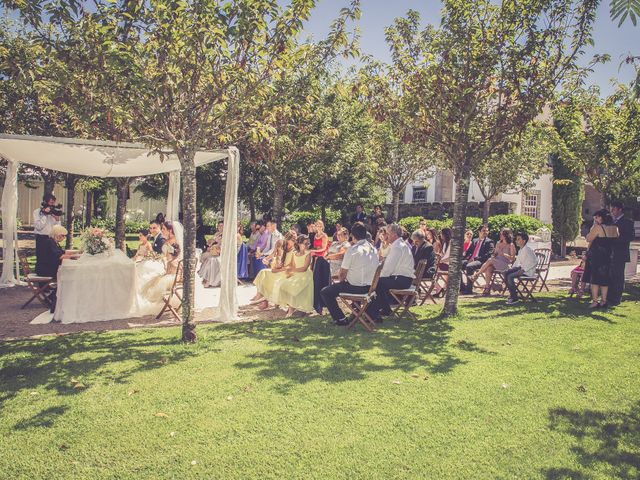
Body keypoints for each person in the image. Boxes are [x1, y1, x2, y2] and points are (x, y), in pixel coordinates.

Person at [320, 223, 379, 325]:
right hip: (371, 288)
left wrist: (340, 282)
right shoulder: (373, 249)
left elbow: (342, 274)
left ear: (352, 236)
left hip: (357, 288)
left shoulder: (352, 250)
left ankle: (340, 319)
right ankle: (356, 312)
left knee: (326, 292)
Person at [368, 224, 416, 322]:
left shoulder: (397, 247)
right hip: (404, 279)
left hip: (402, 280)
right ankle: (384, 310)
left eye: (388, 234)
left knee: (377, 283)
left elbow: (387, 270)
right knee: (379, 283)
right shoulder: (399, 245)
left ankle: (373, 314)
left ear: (394, 235)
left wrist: (375, 278)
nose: (386, 236)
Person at [139, 221, 183, 306]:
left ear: (170, 230)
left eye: (164, 229)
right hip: (169, 269)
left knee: (156, 285)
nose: (162, 230)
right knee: (152, 282)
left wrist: (164, 259)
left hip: (174, 272)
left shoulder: (173, 242)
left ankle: (166, 303)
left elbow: (172, 257)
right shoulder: (168, 240)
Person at [582, 209, 619, 309]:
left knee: (595, 280)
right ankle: (604, 300)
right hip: (608, 256)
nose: (596, 218)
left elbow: (588, 238)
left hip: (597, 256)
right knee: (605, 280)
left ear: (602, 218)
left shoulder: (598, 228)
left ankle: (595, 301)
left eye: (597, 217)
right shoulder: (615, 228)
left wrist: (594, 226)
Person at [271, 235, 314, 317]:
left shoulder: (308, 254)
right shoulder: (295, 253)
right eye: (304, 243)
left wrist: (292, 270)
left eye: (307, 243)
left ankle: (290, 311)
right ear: (299, 244)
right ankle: (290, 306)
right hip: (296, 274)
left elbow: (304, 268)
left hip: (305, 276)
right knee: (282, 283)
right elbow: (292, 265)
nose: (306, 245)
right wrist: (285, 269)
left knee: (292, 287)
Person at [252, 233, 296, 309]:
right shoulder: (284, 246)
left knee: (266, 274)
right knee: (263, 272)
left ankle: (262, 298)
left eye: (289, 241)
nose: (287, 243)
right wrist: (268, 260)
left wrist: (277, 268)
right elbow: (278, 259)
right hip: (281, 269)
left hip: (286, 272)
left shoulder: (294, 250)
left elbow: (290, 266)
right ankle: (261, 298)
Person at [471, 228, 516, 295]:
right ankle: (487, 288)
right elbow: (495, 254)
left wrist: (503, 254)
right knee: (489, 269)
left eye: (501, 234)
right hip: (496, 262)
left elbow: (512, 258)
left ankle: (477, 274)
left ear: (506, 235)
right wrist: (494, 255)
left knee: (490, 260)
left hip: (505, 264)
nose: (500, 236)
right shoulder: (498, 243)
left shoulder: (511, 245)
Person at [609, 201, 634, 306]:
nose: (612, 212)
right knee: (610, 275)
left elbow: (630, 237)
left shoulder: (627, 222)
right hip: (610, 254)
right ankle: (608, 297)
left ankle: (616, 299)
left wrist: (616, 238)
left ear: (619, 209)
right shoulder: (610, 221)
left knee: (618, 276)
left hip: (620, 253)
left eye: (613, 209)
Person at [505, 232, 538, 305]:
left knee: (510, 276)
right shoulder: (521, 250)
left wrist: (524, 270)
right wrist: (511, 268)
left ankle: (514, 298)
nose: (516, 241)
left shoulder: (528, 250)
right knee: (506, 272)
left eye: (518, 239)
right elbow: (517, 262)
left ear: (524, 241)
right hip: (522, 269)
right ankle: (513, 294)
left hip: (528, 272)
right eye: (516, 239)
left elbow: (535, 262)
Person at [34, 193, 62, 276]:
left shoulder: (53, 212)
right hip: (42, 239)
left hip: (51, 240)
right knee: (42, 260)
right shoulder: (37, 212)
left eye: (54, 202)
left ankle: (50, 282)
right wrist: (45, 215)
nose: (53, 204)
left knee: (53, 260)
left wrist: (57, 220)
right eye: (51, 202)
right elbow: (39, 227)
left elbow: (57, 228)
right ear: (45, 202)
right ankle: (42, 285)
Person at [461, 224, 494, 294]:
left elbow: (489, 254)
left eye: (487, 231)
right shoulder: (475, 240)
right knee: (458, 264)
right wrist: (463, 258)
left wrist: (476, 258)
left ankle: (468, 290)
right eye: (483, 231)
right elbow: (469, 252)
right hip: (471, 260)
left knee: (469, 266)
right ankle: (462, 287)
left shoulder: (489, 242)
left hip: (481, 261)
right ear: (479, 231)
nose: (485, 232)